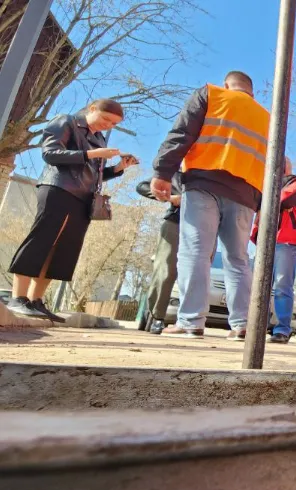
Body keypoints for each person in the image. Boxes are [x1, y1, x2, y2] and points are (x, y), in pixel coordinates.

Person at [149, 71, 269, 340]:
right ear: (252, 92)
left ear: (228, 85)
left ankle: (191, 321)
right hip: (246, 194)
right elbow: (270, 163)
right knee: (238, 259)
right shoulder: (267, 117)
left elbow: (182, 132)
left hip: (205, 183)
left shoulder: (212, 94)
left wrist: (163, 171)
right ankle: (242, 325)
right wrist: (262, 203)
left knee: (195, 253)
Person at [6, 99, 137, 323]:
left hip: (83, 199)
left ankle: (36, 301)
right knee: (42, 239)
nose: (108, 125)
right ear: (92, 109)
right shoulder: (66, 121)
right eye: (106, 119)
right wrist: (93, 155)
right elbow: (50, 153)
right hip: (57, 188)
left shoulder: (99, 139)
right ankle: (18, 298)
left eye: (114, 123)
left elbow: (93, 174)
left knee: (64, 249)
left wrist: (118, 168)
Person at [251, 158, 296, 344]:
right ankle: (260, 327)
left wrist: (265, 201)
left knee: (282, 284)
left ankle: (282, 330)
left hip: (287, 241)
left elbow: (284, 199)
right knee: (261, 285)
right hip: (265, 242)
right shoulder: (265, 186)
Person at [135, 173, 183, 334]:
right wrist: (171, 198)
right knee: (166, 271)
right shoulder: (176, 173)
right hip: (175, 223)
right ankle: (156, 317)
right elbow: (142, 186)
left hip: (205, 228)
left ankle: (188, 322)